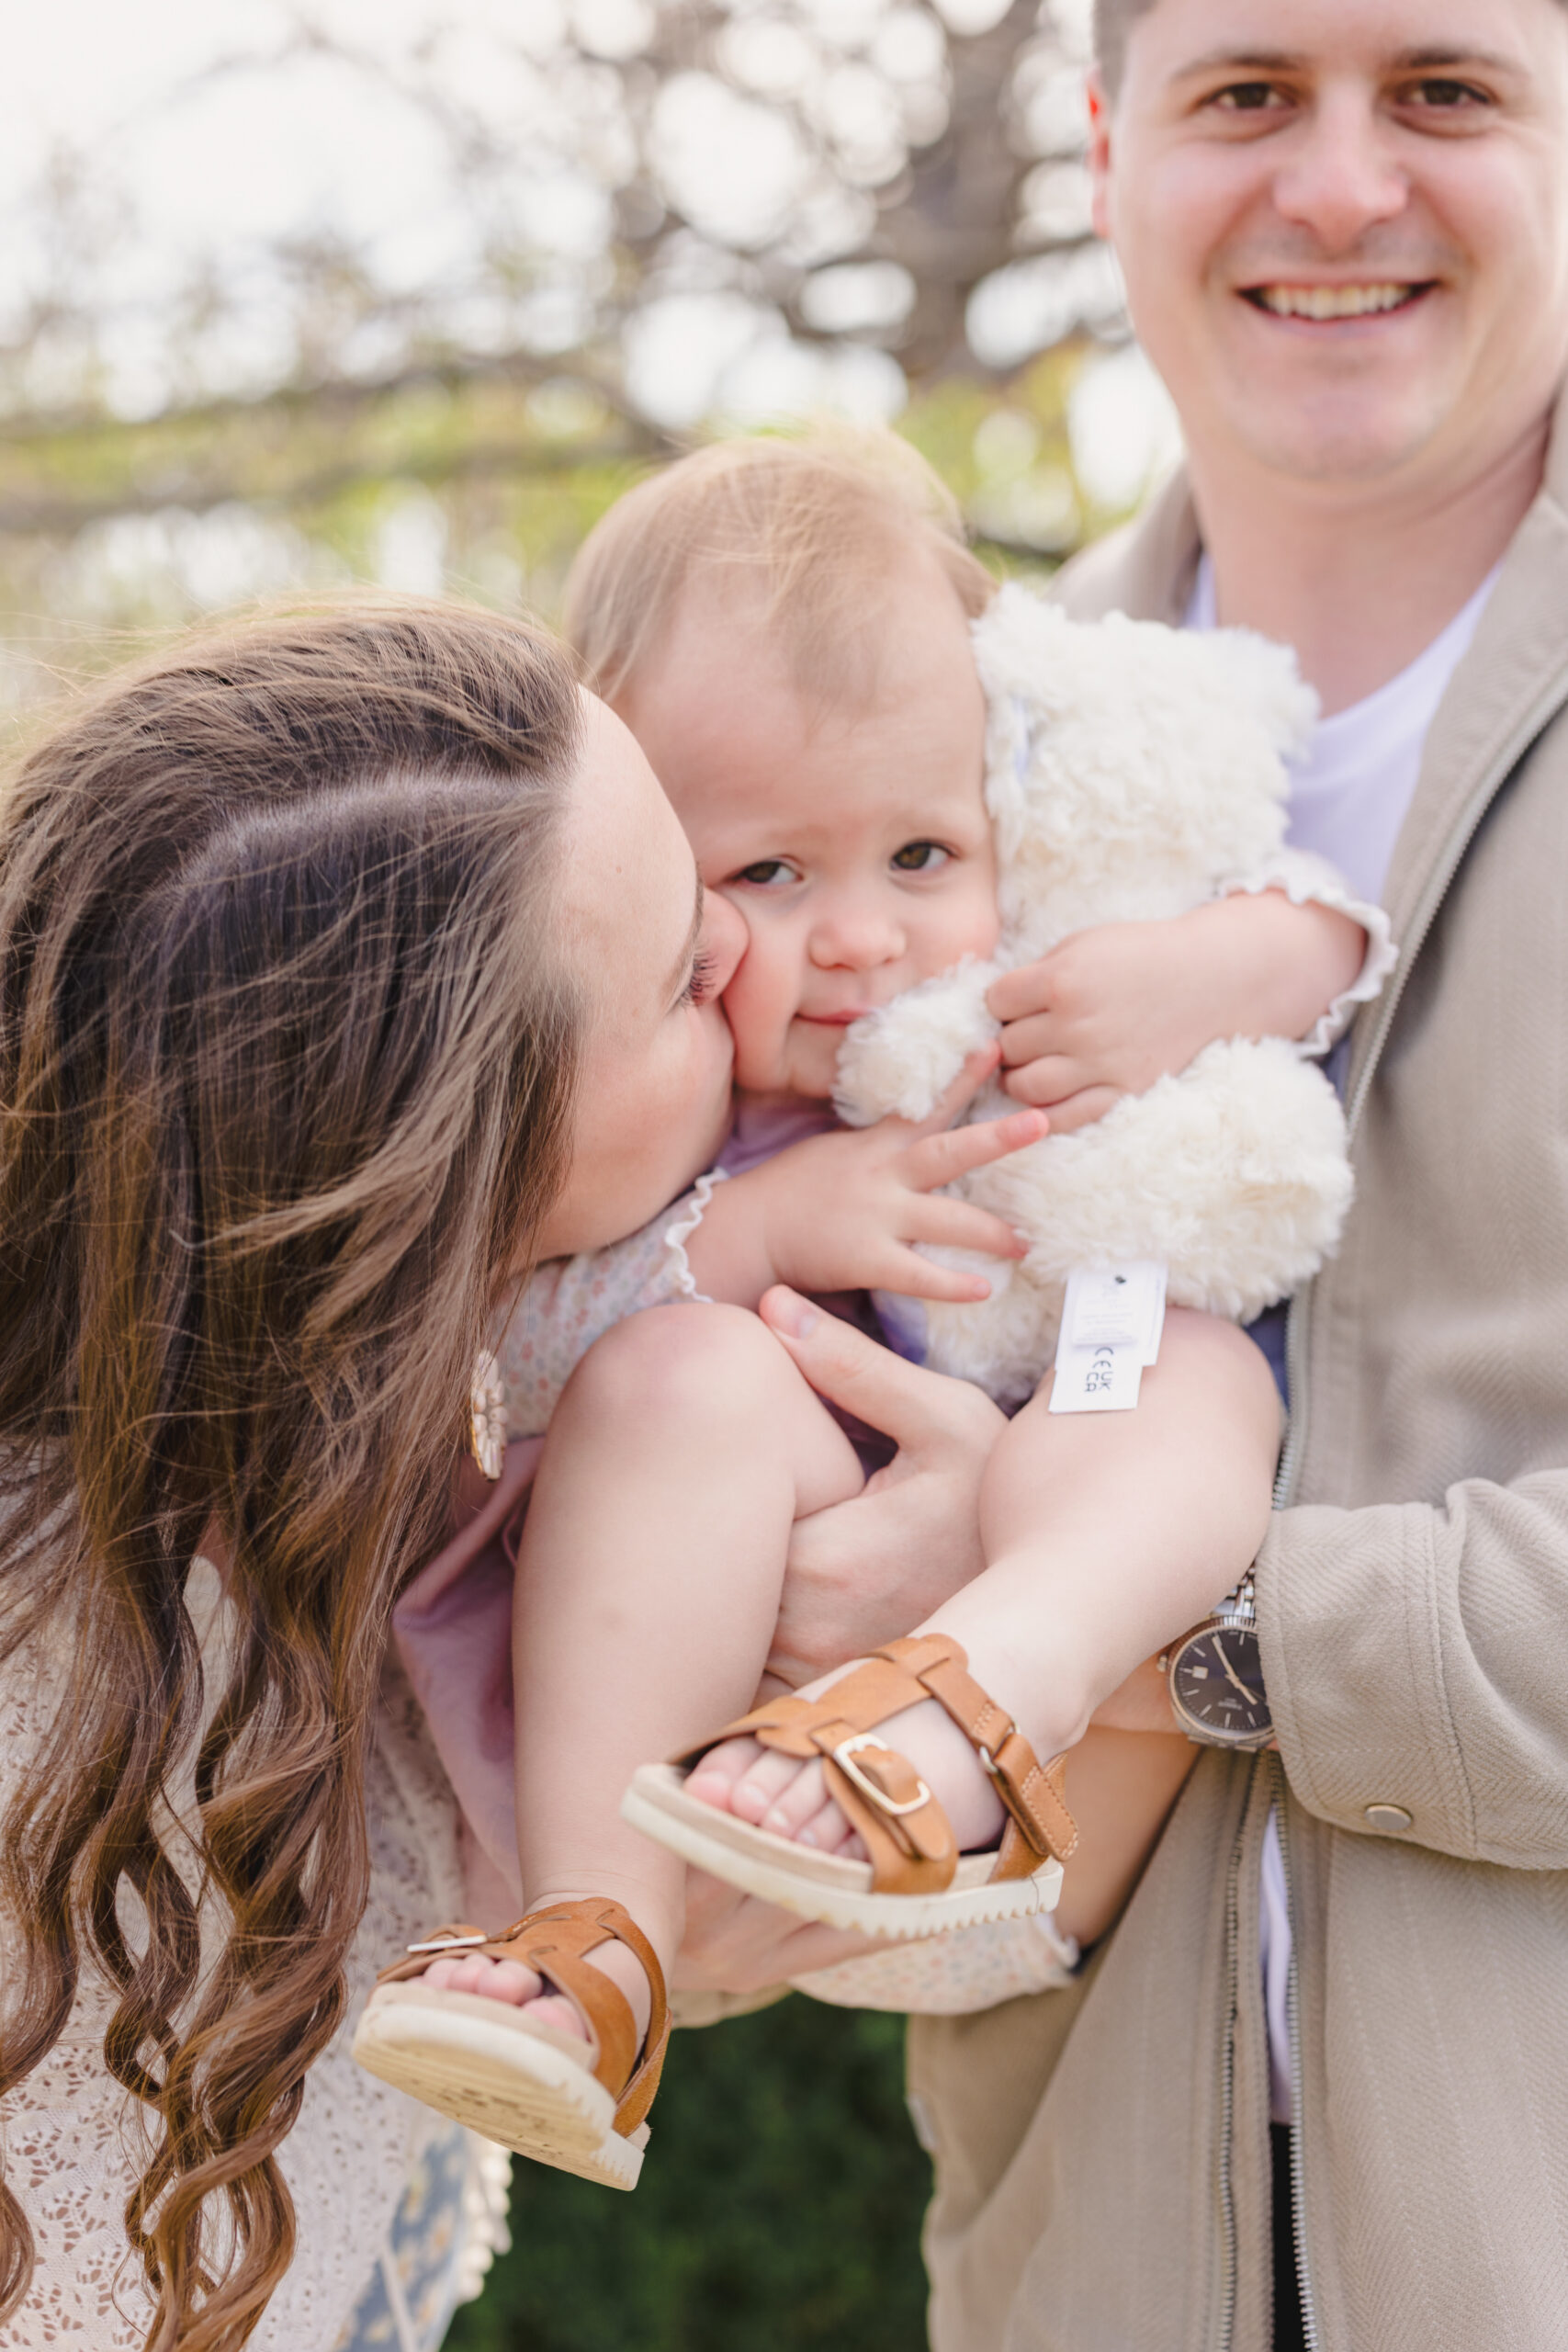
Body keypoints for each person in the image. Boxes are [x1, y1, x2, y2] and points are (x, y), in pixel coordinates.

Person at [673, 3, 1568, 2346]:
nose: (1343, 187)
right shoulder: (900, 753)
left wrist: (1140, 1619)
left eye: (1445, 92)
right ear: (1103, 150)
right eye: (1248, 94)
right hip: (1087, 2269)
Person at [362, 434, 1385, 2192]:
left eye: (921, 852)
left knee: (1182, 1365)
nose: (863, 941)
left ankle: (986, 1683)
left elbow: (1335, 925)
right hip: (691, 1789)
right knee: (673, 1365)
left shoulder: (1053, 962)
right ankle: (592, 1955)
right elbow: (498, 1352)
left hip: (1041, 1805)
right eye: (768, 877)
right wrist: (751, 1227)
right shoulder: (648, 1092)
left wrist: (1214, 970)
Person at [0, 601, 752, 2347]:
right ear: (444, 1179)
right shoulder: (112, 1674)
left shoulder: (420, 1465)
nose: (748, 943)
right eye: (680, 980)